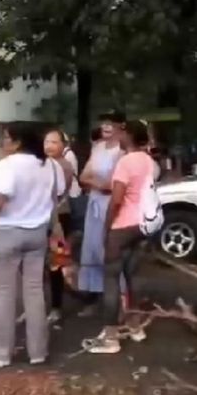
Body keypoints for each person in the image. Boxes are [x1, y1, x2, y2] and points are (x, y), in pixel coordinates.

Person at [0, 123, 67, 368]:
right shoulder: (50, 165)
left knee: (5, 294)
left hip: (9, 233)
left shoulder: (6, 166)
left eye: (6, 138)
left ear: (18, 141)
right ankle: (38, 352)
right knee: (34, 292)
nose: (3, 143)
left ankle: (1, 354)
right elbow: (56, 197)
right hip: (37, 234)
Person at [86, 120, 157, 355]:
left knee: (111, 279)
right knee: (132, 275)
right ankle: (135, 327)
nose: (117, 135)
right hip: (142, 224)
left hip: (122, 225)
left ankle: (110, 337)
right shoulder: (148, 160)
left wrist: (107, 229)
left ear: (128, 135)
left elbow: (116, 200)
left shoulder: (125, 162)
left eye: (121, 132)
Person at [78, 113, 127, 313]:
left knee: (109, 250)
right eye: (103, 122)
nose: (105, 126)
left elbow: (112, 186)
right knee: (92, 249)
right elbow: (83, 176)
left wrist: (95, 183)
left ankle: (121, 300)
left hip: (111, 204)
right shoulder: (97, 147)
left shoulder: (121, 152)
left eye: (110, 123)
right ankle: (97, 298)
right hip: (94, 203)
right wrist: (97, 184)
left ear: (120, 126)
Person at [44, 128, 80, 325]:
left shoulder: (64, 166)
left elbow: (56, 194)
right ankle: (40, 306)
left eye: (54, 142)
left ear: (63, 145)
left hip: (59, 218)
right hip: (41, 218)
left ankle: (57, 307)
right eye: (46, 141)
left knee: (56, 262)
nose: (49, 145)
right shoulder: (41, 164)